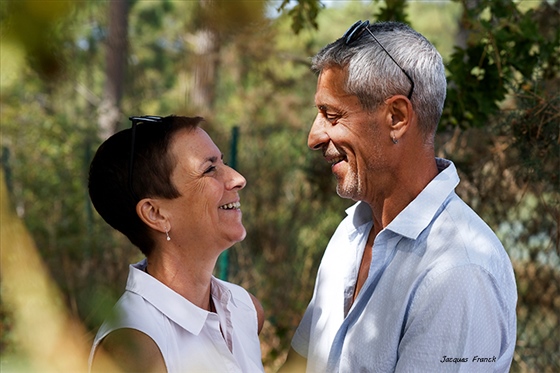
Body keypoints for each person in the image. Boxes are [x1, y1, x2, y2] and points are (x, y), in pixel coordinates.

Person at [281, 20, 517, 373]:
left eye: (332, 115)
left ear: (397, 117)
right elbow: (300, 363)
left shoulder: (458, 272)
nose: (314, 137)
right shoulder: (350, 233)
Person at [88, 115, 265, 372]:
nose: (238, 178)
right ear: (156, 214)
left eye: (223, 162)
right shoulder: (133, 345)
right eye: (209, 169)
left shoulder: (245, 310)